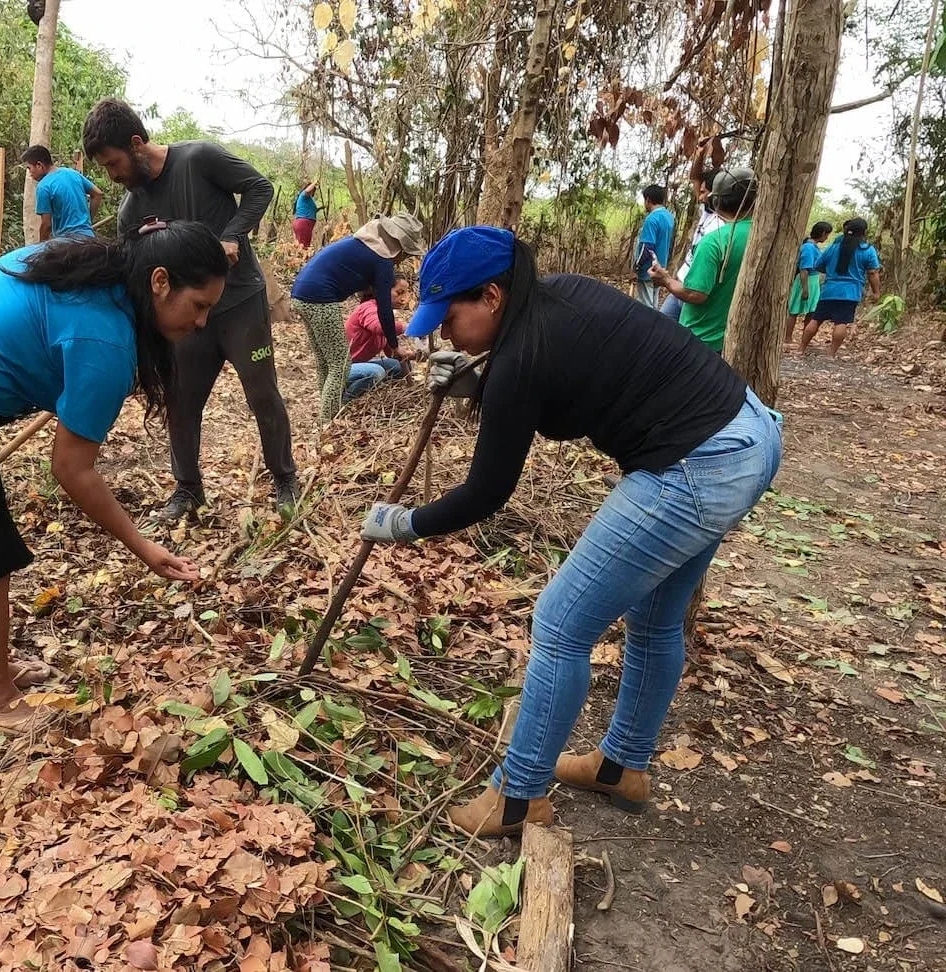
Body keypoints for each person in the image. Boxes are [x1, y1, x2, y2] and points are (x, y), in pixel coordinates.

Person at [360, 226, 782, 836]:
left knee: (559, 623)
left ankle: (518, 797)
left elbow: (486, 491)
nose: (442, 332)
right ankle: (621, 767)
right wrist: (478, 377)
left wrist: (407, 523)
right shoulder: (560, 297)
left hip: (698, 464)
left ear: (494, 297)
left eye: (449, 314)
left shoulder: (521, 358)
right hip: (749, 433)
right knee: (657, 618)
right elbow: (559, 385)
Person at [0, 221, 229, 732]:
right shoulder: (106, 339)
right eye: (200, 305)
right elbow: (72, 469)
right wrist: (143, 547)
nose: (203, 322)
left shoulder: (100, 272)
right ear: (160, 281)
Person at [82, 98, 298, 521]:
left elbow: (260, 188)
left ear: (136, 143)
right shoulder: (131, 211)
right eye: (106, 169)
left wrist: (233, 234)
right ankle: (188, 490)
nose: (113, 176)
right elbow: (135, 273)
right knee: (179, 399)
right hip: (184, 321)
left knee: (261, 394)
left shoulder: (199, 159)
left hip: (238, 303)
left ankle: (284, 479)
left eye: (113, 163)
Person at [289, 215, 425, 422]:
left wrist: (394, 347)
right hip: (320, 297)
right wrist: (396, 345)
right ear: (398, 245)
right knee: (339, 366)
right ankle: (328, 422)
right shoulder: (381, 259)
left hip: (301, 294)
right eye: (405, 253)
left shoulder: (365, 244)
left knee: (326, 363)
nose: (403, 258)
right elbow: (384, 311)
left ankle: (327, 412)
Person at [650, 167, 757, 354]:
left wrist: (665, 280)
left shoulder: (716, 241)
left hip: (701, 338)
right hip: (729, 338)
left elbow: (695, 294)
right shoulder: (761, 236)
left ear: (717, 200)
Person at [798, 218, 881, 357]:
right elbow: (873, 272)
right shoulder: (867, 250)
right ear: (863, 233)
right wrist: (876, 292)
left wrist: (831, 272)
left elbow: (818, 265)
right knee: (841, 322)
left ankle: (801, 349)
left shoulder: (833, 247)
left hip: (829, 290)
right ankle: (830, 354)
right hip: (850, 292)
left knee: (816, 319)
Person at [659, 167, 724, 320]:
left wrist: (666, 281)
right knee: (659, 324)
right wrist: (700, 153)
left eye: (704, 193)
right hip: (681, 287)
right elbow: (694, 178)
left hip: (693, 292)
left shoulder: (722, 227)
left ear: (716, 195)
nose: (700, 197)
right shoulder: (708, 212)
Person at [344, 275, 414, 402]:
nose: (403, 299)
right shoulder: (369, 307)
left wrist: (412, 355)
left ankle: (367, 391)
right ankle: (345, 401)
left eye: (405, 293)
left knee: (399, 367)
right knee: (376, 372)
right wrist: (408, 327)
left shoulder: (385, 314)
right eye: (399, 293)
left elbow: (391, 351)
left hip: (358, 366)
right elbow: (379, 327)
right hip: (343, 369)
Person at [22, 144, 104, 240]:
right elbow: (97, 194)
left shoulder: (44, 186)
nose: (30, 173)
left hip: (66, 242)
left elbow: (46, 225)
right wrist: (87, 221)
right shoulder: (73, 173)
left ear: (39, 165)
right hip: (88, 237)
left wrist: (41, 249)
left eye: (29, 168)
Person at [785, 221, 833, 346]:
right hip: (805, 281)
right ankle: (788, 337)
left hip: (813, 280)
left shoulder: (814, 247)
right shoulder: (808, 248)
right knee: (794, 310)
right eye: (827, 235)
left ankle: (805, 337)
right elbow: (804, 269)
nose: (827, 237)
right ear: (822, 233)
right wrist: (805, 289)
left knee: (812, 311)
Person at [633, 184, 674, 310]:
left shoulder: (651, 219)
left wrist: (636, 268)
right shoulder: (669, 217)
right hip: (660, 267)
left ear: (648, 200)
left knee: (645, 306)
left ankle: (645, 328)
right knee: (654, 303)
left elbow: (647, 247)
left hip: (648, 270)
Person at [292, 180, 319, 249]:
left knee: (304, 246)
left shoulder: (308, 199)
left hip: (305, 225)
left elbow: (311, 210)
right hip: (303, 224)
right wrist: (315, 182)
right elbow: (307, 191)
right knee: (303, 248)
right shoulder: (304, 195)